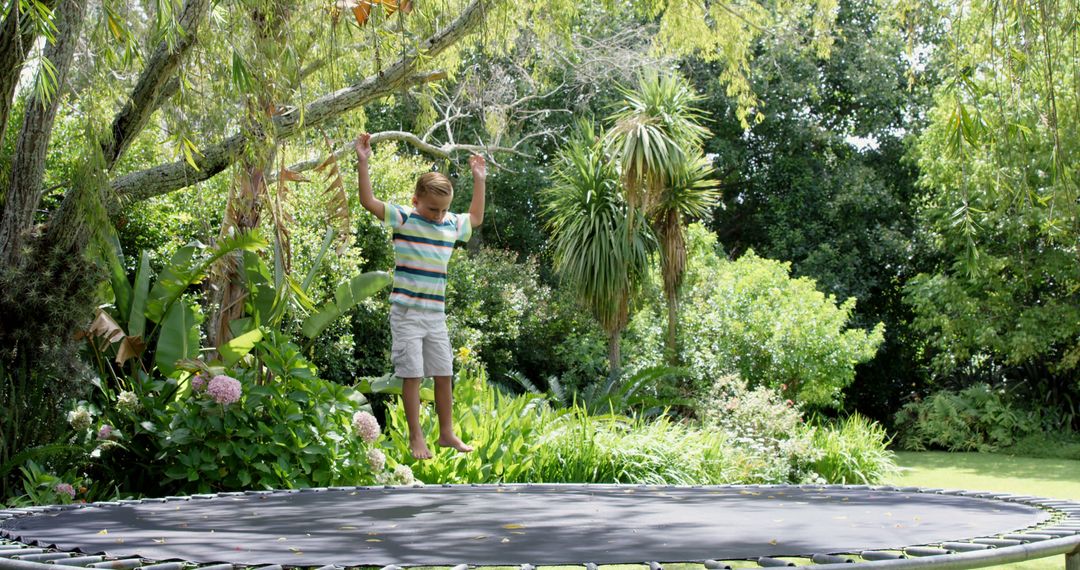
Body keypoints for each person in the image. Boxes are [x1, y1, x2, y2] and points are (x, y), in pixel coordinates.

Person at [353, 132, 485, 459]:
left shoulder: (451, 224)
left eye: (443, 210)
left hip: (435, 315)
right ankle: (416, 437)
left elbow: (477, 218)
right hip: (407, 314)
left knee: (444, 373)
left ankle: (445, 433)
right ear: (415, 201)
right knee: (412, 375)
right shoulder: (405, 218)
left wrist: (479, 180)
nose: (438, 215)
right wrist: (363, 161)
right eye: (432, 209)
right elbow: (368, 201)